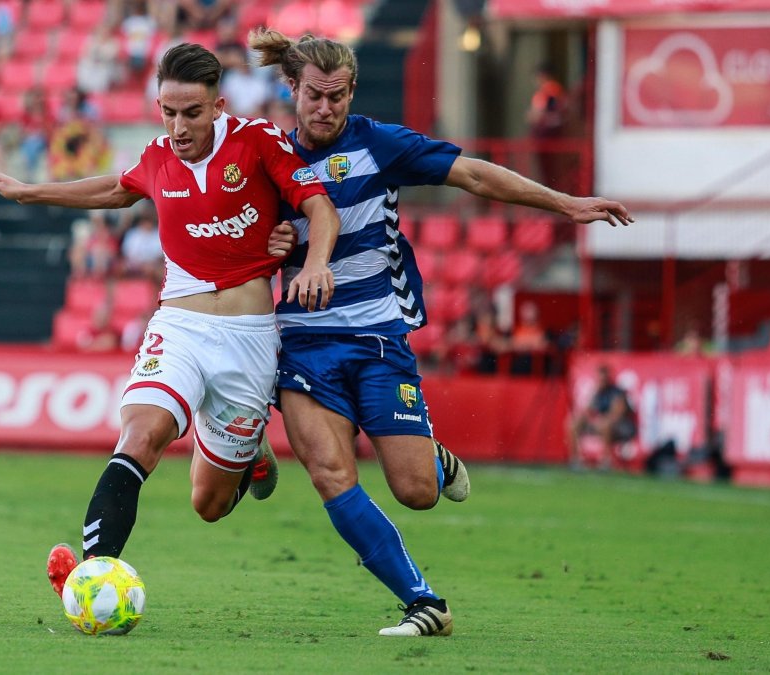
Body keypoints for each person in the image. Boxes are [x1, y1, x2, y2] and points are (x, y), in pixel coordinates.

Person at [251, 29, 633, 636]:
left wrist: (566, 204)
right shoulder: (265, 157)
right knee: (329, 471)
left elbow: (474, 177)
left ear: (351, 92)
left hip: (377, 336)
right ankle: (423, 601)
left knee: (417, 492)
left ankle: (429, 456)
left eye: (338, 96)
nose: (326, 109)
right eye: (315, 96)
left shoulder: (378, 143)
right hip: (302, 341)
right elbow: (234, 239)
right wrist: (271, 247)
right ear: (291, 88)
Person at [0, 43, 340, 599]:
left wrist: (312, 259)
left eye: (191, 113)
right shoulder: (156, 158)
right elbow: (113, 189)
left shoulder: (258, 141)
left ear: (218, 107)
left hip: (248, 339)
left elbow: (318, 205)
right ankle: (91, 576)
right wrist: (29, 192)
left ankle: (248, 459)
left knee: (208, 505)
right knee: (141, 435)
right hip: (180, 327)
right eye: (167, 112)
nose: (177, 126)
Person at [568, 363, 637, 471]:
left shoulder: (616, 392)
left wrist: (600, 420)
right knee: (574, 423)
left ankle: (605, 461)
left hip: (622, 427)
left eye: (603, 379)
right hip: (602, 424)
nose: (601, 382)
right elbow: (587, 411)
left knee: (605, 425)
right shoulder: (598, 393)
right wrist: (583, 418)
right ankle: (576, 461)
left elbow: (617, 415)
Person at [527, 63, 567, 192]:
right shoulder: (557, 91)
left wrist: (531, 116)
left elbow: (537, 114)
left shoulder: (548, 90)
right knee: (552, 172)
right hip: (552, 135)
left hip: (546, 136)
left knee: (547, 172)